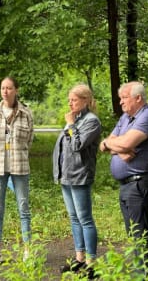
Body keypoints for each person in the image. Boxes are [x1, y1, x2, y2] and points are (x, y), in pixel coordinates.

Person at [100, 81, 148, 269]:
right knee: (134, 233)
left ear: (138, 98)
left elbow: (124, 143)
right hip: (128, 185)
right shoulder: (125, 118)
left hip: (141, 183)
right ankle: (141, 271)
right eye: (120, 98)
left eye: (124, 98)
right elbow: (105, 144)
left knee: (140, 234)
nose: (120, 102)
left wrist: (117, 144)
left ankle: (143, 273)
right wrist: (118, 147)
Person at [0, 76, 34, 267]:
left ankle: (28, 250)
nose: (5, 91)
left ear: (16, 90)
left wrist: (16, 153)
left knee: (24, 208)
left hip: (20, 166)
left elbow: (29, 140)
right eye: (3, 88)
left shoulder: (26, 113)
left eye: (9, 88)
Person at [52, 84, 101, 278]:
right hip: (66, 175)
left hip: (80, 175)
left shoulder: (91, 121)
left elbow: (77, 145)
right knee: (74, 218)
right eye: (69, 100)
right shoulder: (76, 119)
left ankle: (91, 264)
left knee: (85, 219)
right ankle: (79, 258)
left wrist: (71, 125)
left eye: (74, 100)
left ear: (86, 100)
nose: (70, 103)